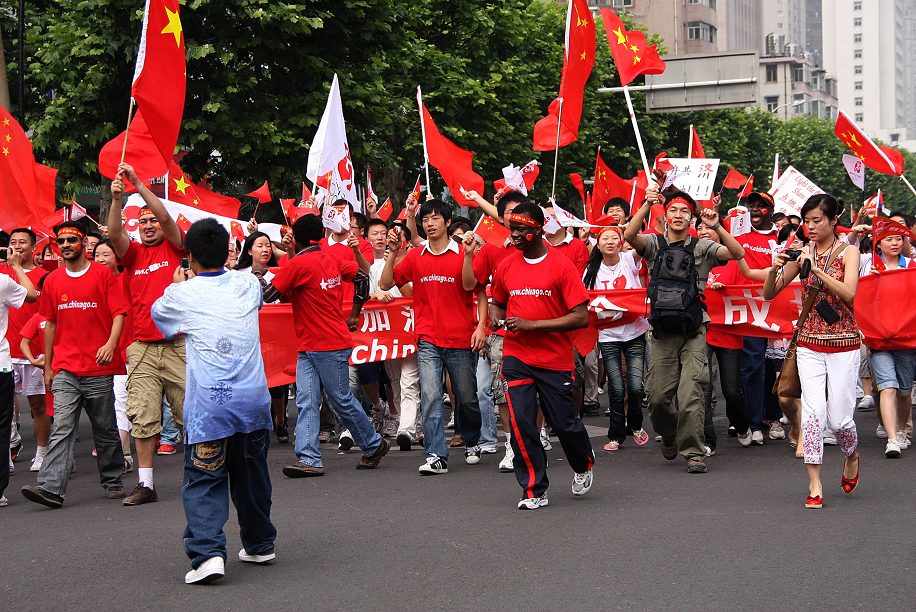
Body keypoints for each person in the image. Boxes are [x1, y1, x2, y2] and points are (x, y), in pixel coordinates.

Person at [151, 219, 276, 585]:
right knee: (253, 476)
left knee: (204, 478)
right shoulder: (248, 283)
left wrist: (181, 285)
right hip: (253, 401)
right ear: (228, 253)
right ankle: (259, 542)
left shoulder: (179, 295)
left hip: (210, 407)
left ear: (189, 257)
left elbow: (162, 322)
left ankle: (207, 555)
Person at [624, 187, 746, 474]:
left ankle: (693, 451)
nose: (679, 215)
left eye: (685, 212)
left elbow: (737, 253)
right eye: (674, 211)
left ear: (692, 219)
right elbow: (629, 237)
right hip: (663, 331)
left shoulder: (702, 246)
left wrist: (717, 226)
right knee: (656, 397)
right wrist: (646, 203)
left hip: (694, 329)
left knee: (691, 393)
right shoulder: (654, 244)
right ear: (665, 216)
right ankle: (668, 435)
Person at [486, 202, 594, 509]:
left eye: (522, 230)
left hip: (554, 360)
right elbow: (497, 301)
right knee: (522, 423)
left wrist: (533, 325)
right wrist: (495, 315)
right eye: (512, 230)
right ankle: (534, 489)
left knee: (564, 424)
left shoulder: (561, 266)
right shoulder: (507, 265)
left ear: (538, 230)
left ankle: (584, 461)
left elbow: (581, 317)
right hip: (517, 356)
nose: (515, 236)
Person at [270, 215, 390, 477]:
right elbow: (361, 277)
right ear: (318, 235)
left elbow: (268, 295)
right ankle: (311, 459)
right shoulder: (332, 258)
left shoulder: (298, 263)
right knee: (308, 400)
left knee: (335, 400)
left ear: (298, 239)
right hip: (317, 344)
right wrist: (355, 312)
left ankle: (373, 444)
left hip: (324, 345)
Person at [763, 194, 861, 509]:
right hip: (808, 344)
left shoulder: (850, 252)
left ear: (833, 221)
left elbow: (848, 292)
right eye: (807, 221)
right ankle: (815, 484)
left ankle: (851, 452)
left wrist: (815, 269)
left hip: (844, 343)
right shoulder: (801, 252)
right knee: (814, 416)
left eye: (817, 220)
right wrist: (774, 267)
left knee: (841, 420)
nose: (810, 226)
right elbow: (769, 293)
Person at [21, 223, 127, 509]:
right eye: (61, 241)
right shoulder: (53, 280)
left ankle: (113, 475)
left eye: (72, 240)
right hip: (66, 367)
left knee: (104, 427)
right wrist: (48, 365)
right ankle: (51, 487)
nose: (66, 244)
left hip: (98, 365)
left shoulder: (103, 274)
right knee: (63, 427)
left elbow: (119, 314)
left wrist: (109, 345)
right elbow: (50, 323)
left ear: (83, 244)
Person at [380, 198, 487, 475]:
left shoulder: (462, 252)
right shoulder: (416, 256)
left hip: (460, 339)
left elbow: (477, 290)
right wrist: (392, 253)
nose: (429, 224)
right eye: (426, 219)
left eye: (435, 218)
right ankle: (436, 455)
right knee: (430, 396)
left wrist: (480, 328)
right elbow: (386, 283)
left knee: (466, 397)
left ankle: (472, 438)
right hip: (427, 338)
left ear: (448, 222)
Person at [109, 162, 187, 506]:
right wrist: (115, 200)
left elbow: (168, 220)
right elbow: (114, 236)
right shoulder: (134, 253)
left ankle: (208, 471)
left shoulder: (174, 247)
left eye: (151, 220)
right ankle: (146, 484)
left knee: (192, 412)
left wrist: (139, 185)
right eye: (142, 222)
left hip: (178, 344)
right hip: (141, 346)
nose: (148, 225)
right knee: (142, 415)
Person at [582, 226, 650, 452]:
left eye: (614, 238)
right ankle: (616, 436)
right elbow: (585, 300)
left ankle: (637, 424)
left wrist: (647, 205)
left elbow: (639, 245)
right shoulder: (590, 270)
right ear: (597, 244)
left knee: (636, 386)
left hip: (634, 331)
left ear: (621, 242)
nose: (610, 242)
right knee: (617, 388)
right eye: (605, 238)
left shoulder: (629, 260)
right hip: (608, 335)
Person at [857, 218, 915, 458]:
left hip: (907, 340)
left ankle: (902, 430)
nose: (894, 243)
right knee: (888, 387)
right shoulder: (868, 267)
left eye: (898, 238)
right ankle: (892, 439)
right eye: (889, 239)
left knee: (903, 391)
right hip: (879, 341)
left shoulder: (911, 266)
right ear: (878, 244)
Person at [235, 231, 289, 443]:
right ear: (249, 250)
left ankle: (281, 421)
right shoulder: (238, 275)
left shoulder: (277, 275)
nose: (265, 250)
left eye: (268, 245)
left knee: (278, 382)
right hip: (249, 335)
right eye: (260, 245)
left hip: (275, 334)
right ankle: (252, 423)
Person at [3, 228, 49, 472]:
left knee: (38, 405)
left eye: (23, 242)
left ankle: (42, 452)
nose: (17, 246)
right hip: (6, 351)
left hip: (36, 353)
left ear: (34, 248)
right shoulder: (2, 273)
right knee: (5, 408)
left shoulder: (44, 276)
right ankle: (7, 452)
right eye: (13, 242)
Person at [0, 250, 38, 507]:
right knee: (2, 428)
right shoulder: (3, 280)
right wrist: (16, 266)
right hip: (1, 366)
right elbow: (32, 294)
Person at [93, 239, 134, 471]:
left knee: (123, 405)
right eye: (97, 254)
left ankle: (122, 454)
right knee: (110, 407)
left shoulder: (125, 278)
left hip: (127, 353)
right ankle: (122, 455)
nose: (100, 259)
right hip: (99, 357)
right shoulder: (90, 283)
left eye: (105, 254)